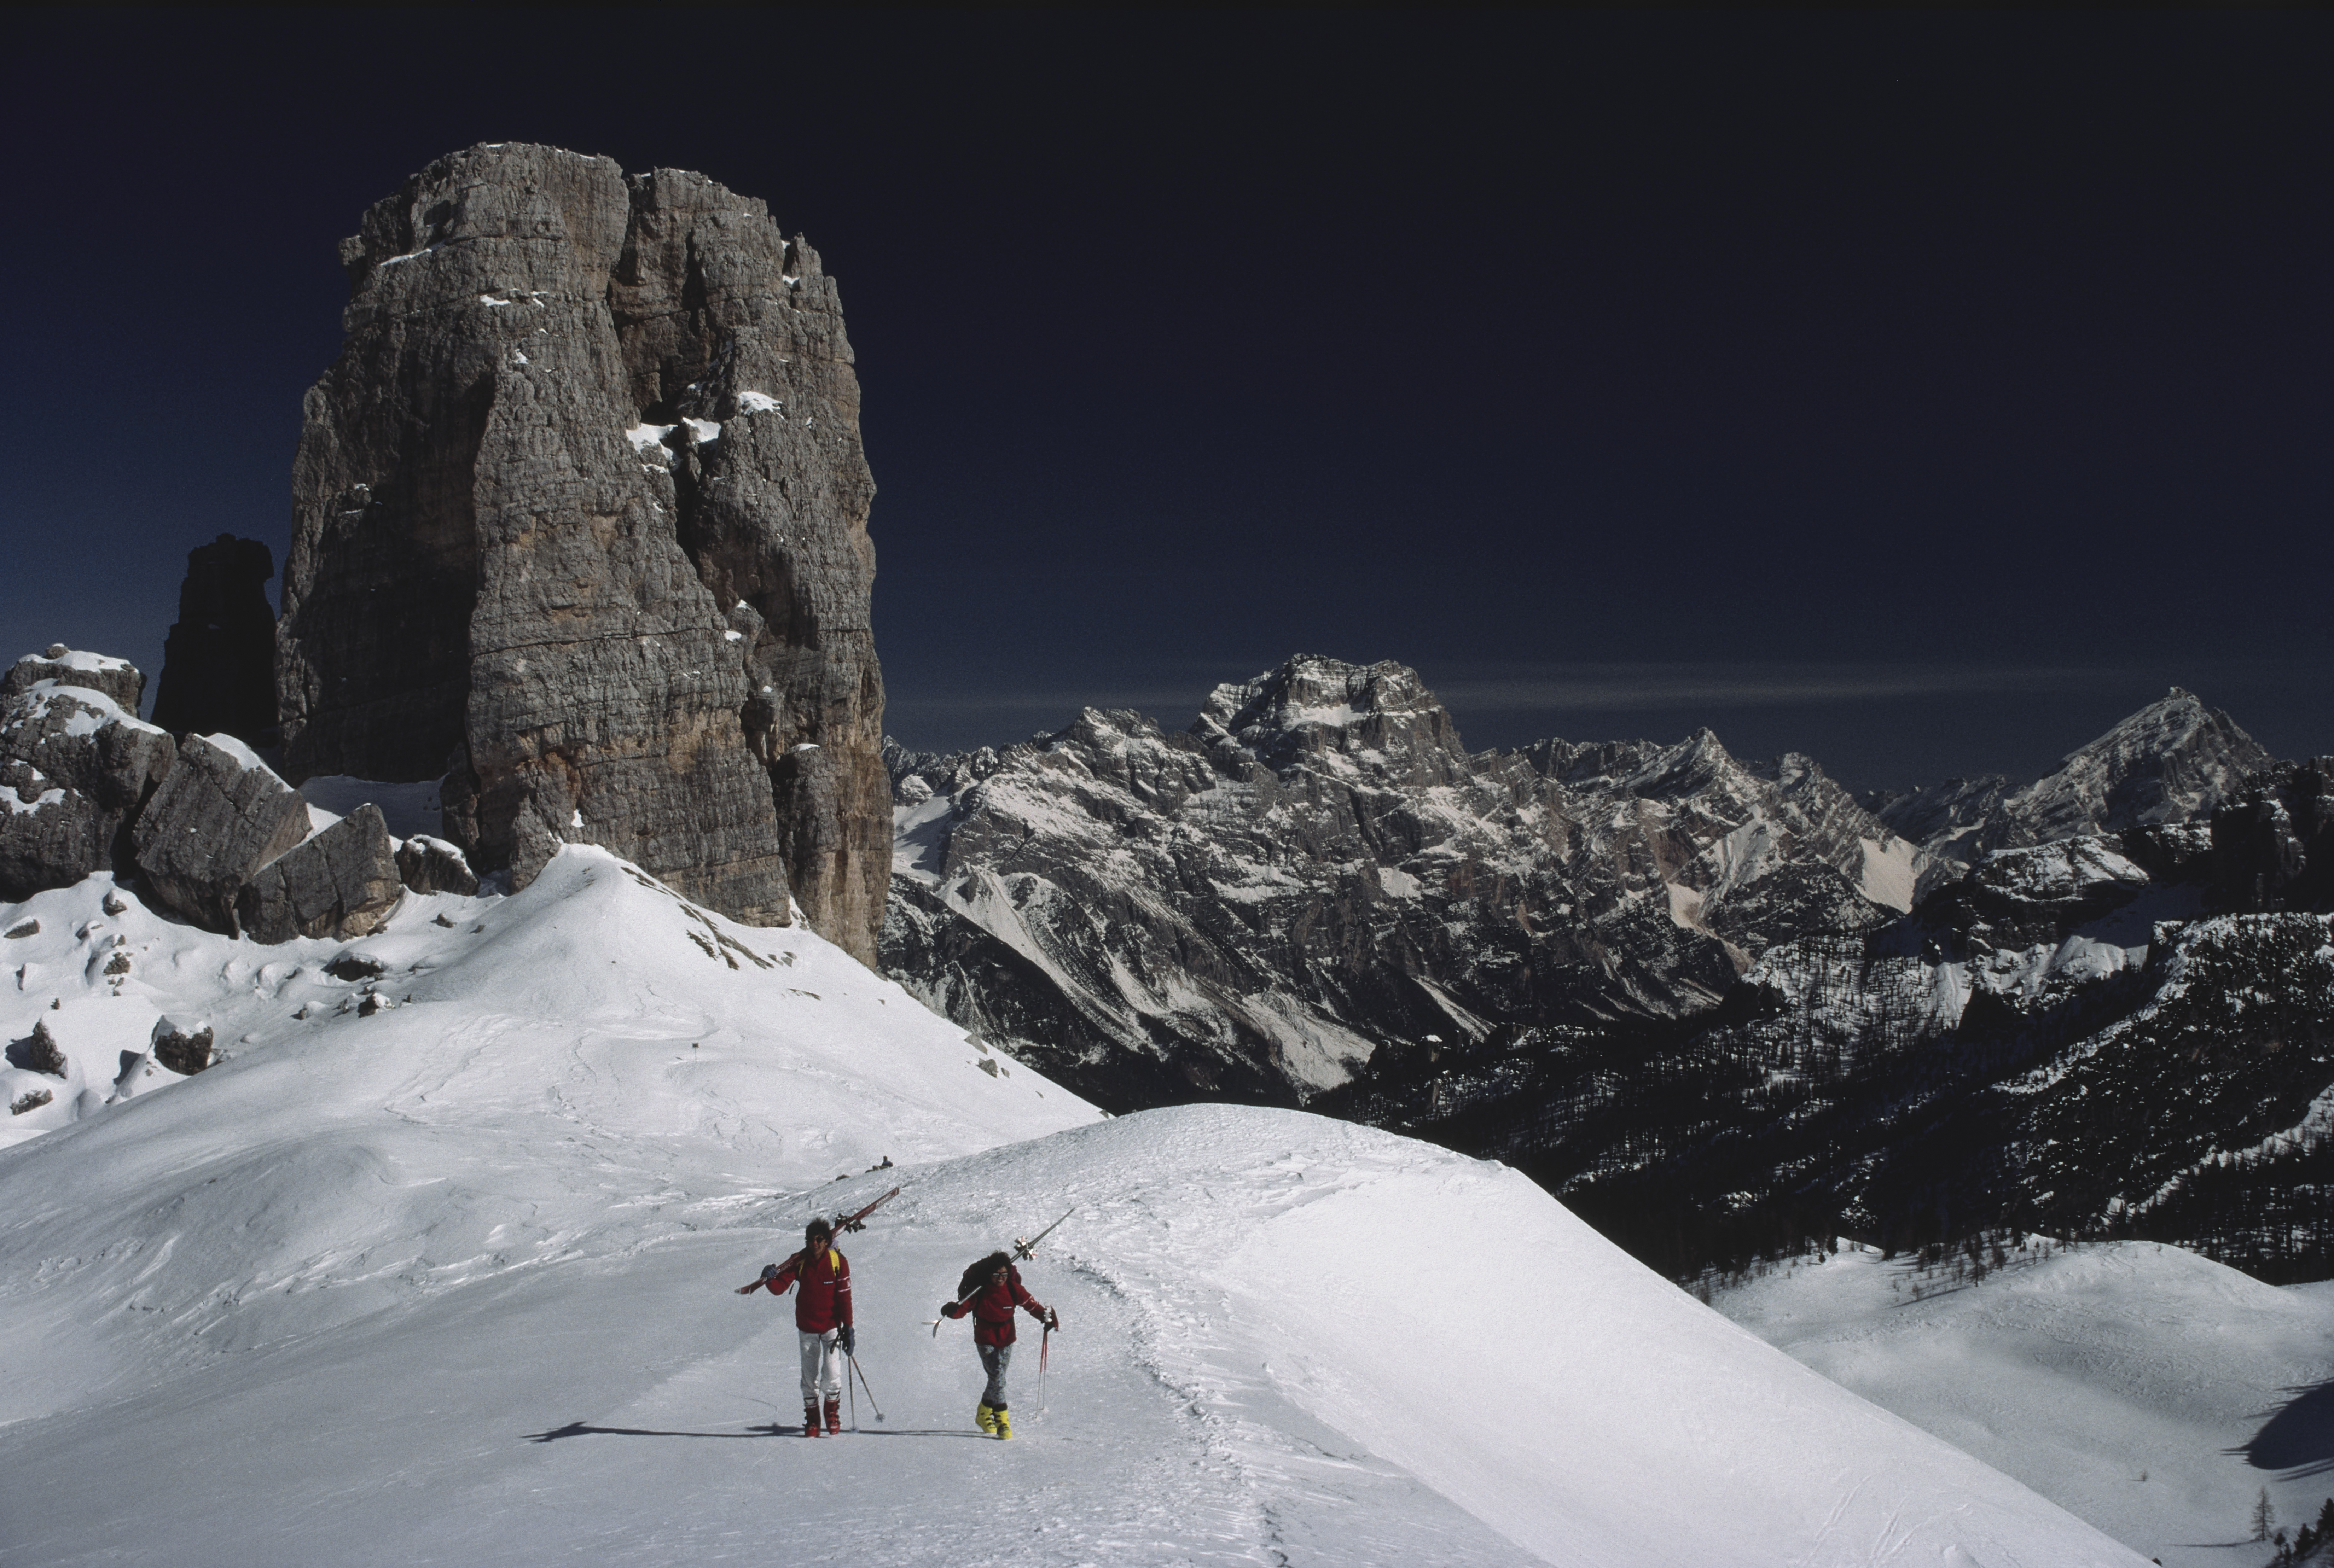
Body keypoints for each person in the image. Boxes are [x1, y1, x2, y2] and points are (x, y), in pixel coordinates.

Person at [747, 1217, 855, 1436]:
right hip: (807, 1327)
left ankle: (832, 1413)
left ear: (826, 1241)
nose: (814, 1244)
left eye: (819, 1240)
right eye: (810, 1240)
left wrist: (849, 1328)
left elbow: (845, 1298)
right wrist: (769, 1277)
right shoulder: (799, 1261)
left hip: (831, 1328)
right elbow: (779, 1288)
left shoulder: (838, 1262)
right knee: (809, 1376)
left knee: (832, 1372)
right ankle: (813, 1419)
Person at [940, 1250, 1058, 1439]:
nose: (1001, 1279)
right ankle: (1003, 1422)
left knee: (998, 1377)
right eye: (996, 1275)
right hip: (985, 1338)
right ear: (989, 1275)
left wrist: (1047, 1319)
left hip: (1007, 1338)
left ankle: (984, 1412)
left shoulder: (1013, 1289)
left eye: (1004, 1274)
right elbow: (962, 1310)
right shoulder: (980, 1291)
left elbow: (1032, 1306)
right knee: (997, 1375)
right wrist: (951, 1310)